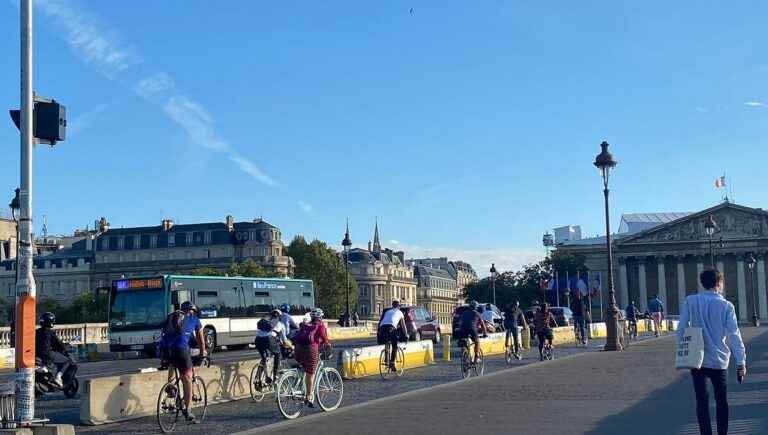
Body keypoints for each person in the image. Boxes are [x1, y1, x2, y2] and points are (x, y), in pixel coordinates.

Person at [678, 269, 746, 435]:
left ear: (703, 283)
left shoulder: (691, 301)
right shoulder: (726, 306)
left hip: (697, 359)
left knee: (702, 401)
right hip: (719, 360)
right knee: (721, 401)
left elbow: (681, 329)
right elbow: (734, 335)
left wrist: (685, 347)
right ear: (719, 283)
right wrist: (741, 362)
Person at [159, 301, 206, 423]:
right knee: (187, 376)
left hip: (164, 350)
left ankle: (170, 386)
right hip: (180, 350)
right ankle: (187, 409)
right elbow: (200, 339)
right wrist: (203, 352)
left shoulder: (172, 317)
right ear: (192, 311)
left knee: (172, 363)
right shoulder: (194, 319)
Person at [293, 308, 330, 407]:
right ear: (320, 317)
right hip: (310, 350)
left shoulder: (305, 325)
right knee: (310, 373)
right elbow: (325, 340)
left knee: (304, 369)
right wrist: (328, 347)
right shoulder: (320, 326)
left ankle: (299, 386)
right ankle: (309, 396)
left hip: (298, 349)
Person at [254, 309, 289, 385]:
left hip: (257, 340)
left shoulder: (264, 322)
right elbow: (284, 340)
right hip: (268, 340)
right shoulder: (280, 324)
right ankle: (275, 376)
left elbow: (259, 332)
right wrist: (291, 346)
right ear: (279, 317)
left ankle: (258, 378)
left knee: (264, 357)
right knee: (277, 354)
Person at [35, 312, 69, 387]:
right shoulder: (50, 332)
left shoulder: (36, 332)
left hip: (37, 354)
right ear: (50, 322)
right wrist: (65, 348)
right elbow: (59, 344)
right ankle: (58, 377)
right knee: (66, 361)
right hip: (47, 354)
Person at [377, 300, 409, 370]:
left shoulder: (387, 311)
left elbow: (381, 321)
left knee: (387, 342)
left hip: (382, 328)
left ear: (392, 306)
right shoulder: (400, 312)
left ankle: (386, 360)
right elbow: (403, 326)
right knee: (395, 345)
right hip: (390, 327)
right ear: (398, 306)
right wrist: (406, 335)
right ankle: (392, 363)